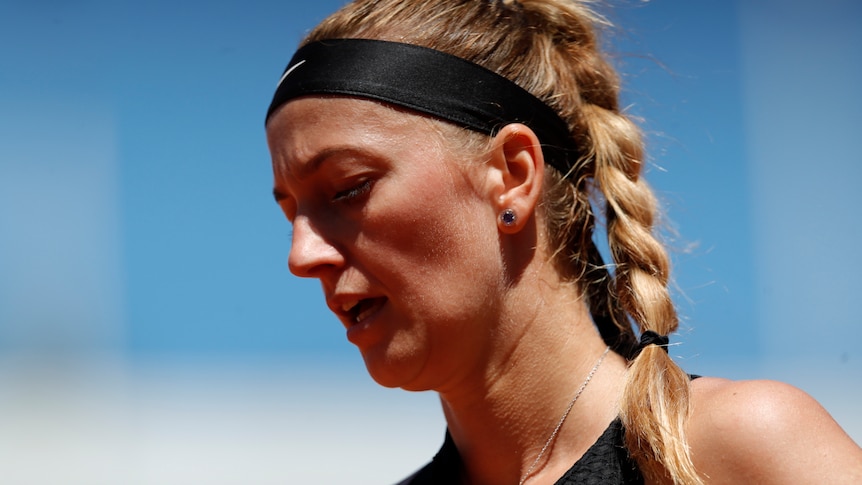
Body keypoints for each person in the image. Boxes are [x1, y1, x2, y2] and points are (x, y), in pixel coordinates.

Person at [264, 0, 862, 483]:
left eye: (348, 188)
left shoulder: (735, 450)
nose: (302, 256)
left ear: (512, 176)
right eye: (290, 210)